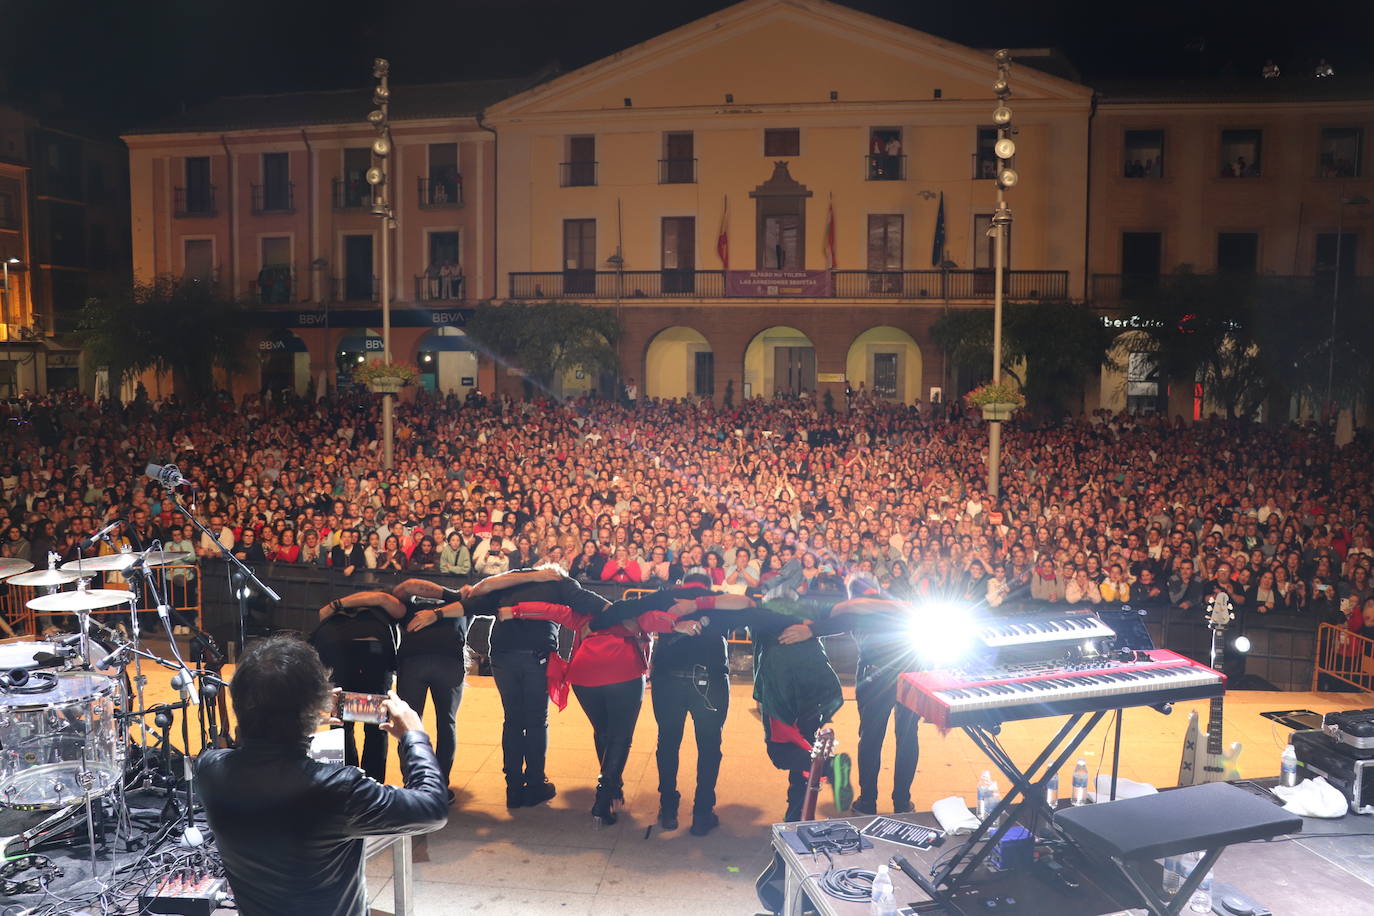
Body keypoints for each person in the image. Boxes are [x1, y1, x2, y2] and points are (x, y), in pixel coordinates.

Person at [196, 634, 447, 916]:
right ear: (313, 706)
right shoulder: (339, 788)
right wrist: (414, 736)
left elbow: (259, 754)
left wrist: (303, 717)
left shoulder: (209, 770)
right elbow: (432, 808)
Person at [458, 566, 607, 808]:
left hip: (503, 655)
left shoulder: (508, 582)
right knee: (536, 721)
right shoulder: (560, 582)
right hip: (537, 655)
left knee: (513, 720)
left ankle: (513, 788)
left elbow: (476, 596)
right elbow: (591, 603)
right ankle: (536, 783)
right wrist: (618, 613)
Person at [389, 578, 470, 803]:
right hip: (449, 663)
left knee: (408, 724)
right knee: (447, 723)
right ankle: (440, 785)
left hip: (413, 663)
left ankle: (414, 781)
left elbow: (408, 585)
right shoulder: (461, 607)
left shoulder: (410, 608)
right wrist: (454, 595)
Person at [312, 590, 405, 782]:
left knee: (340, 727)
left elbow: (322, 614)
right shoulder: (388, 609)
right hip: (374, 661)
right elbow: (382, 598)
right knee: (376, 729)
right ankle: (373, 783)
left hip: (340, 659)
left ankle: (343, 780)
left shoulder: (335, 613)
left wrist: (337, 604)